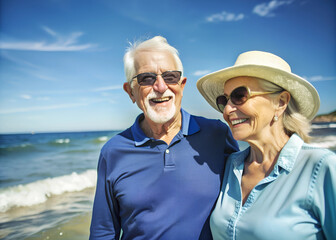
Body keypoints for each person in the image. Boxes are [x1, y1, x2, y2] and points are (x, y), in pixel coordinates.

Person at [89, 36, 239, 240]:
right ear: (131, 92)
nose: (160, 87)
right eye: (147, 79)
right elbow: (103, 232)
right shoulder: (112, 151)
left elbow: (242, 207)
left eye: (170, 77)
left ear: (182, 85)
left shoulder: (217, 134)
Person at [197, 50, 336, 239]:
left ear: (280, 102)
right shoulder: (231, 166)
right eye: (224, 100)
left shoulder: (322, 167)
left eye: (239, 95)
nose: (227, 110)